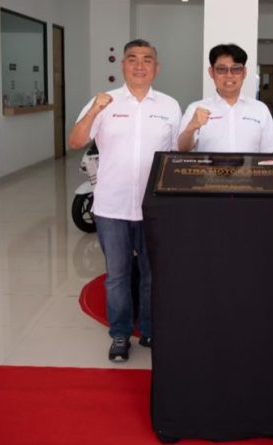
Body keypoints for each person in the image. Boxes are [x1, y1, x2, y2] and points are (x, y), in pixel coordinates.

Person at [68, 39, 181, 362]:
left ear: (156, 67)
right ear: (122, 65)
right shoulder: (104, 102)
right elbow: (75, 141)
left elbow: (177, 155)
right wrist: (94, 110)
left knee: (151, 273)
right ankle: (119, 333)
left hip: (153, 208)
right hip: (112, 205)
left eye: (147, 59)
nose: (140, 65)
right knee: (117, 275)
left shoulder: (170, 106)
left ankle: (148, 328)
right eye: (132, 59)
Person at [178, 44, 273, 153]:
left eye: (236, 69)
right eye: (221, 69)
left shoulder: (260, 109)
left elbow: (271, 152)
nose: (229, 75)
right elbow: (182, 149)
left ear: (244, 73)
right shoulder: (196, 108)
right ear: (211, 72)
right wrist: (191, 127)